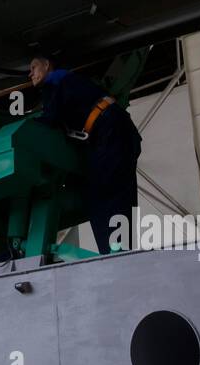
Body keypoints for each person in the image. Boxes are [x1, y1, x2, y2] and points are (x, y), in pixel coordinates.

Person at [29, 56, 141, 254]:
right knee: (122, 197)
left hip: (109, 133)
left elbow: (49, 120)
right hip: (121, 132)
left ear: (47, 65)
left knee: (99, 195)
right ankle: (123, 252)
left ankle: (115, 255)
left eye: (34, 67)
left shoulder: (55, 81)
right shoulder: (72, 83)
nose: (31, 73)